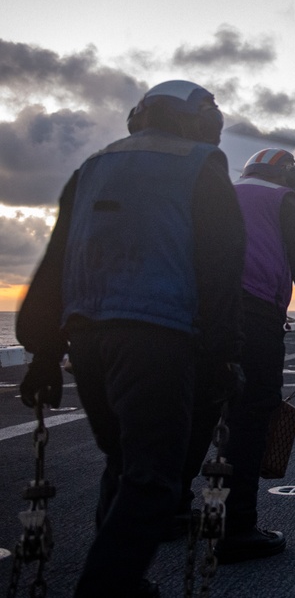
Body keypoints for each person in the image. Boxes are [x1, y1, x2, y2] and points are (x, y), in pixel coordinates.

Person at [15, 80, 246, 598]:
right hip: (158, 338)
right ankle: (106, 588)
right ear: (203, 121)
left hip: (87, 340)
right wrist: (223, 357)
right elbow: (221, 268)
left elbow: (56, 263)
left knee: (123, 464)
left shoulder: (92, 167)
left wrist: (44, 355)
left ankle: (126, 582)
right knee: (154, 480)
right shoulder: (202, 165)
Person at [183, 146, 295, 564]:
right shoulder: (283, 203)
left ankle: (171, 511)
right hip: (250, 319)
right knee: (250, 418)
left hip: (193, 317)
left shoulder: (218, 193)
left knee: (196, 413)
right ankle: (235, 529)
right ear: (290, 176)